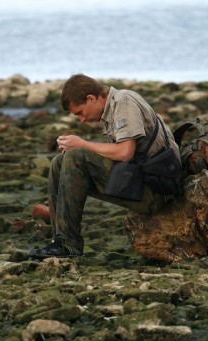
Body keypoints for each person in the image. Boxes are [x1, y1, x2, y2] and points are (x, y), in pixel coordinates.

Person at [29, 73, 180, 259]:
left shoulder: (123, 101)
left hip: (157, 192)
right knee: (59, 163)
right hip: (139, 181)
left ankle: (69, 243)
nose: (81, 120)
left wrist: (82, 144)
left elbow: (125, 152)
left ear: (91, 98)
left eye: (80, 113)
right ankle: (61, 241)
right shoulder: (111, 109)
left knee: (76, 156)